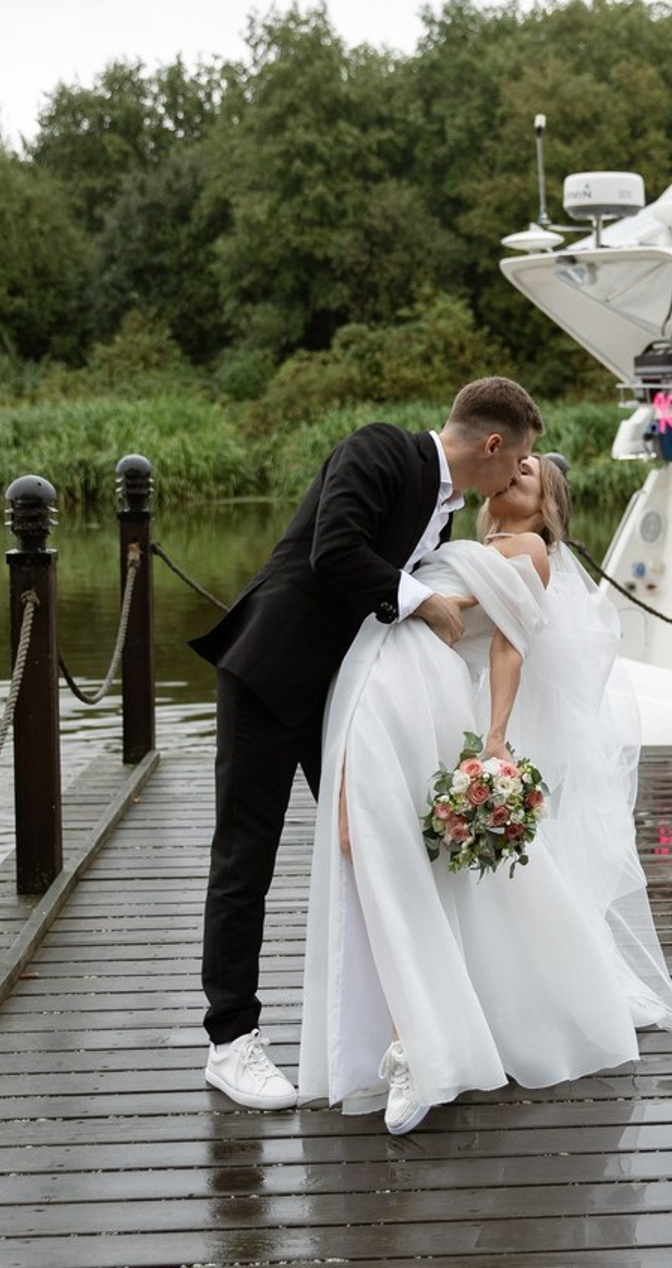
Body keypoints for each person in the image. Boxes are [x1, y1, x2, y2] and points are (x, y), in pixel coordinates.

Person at [299, 453, 672, 1134]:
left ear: (546, 506)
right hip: (396, 688)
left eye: (530, 476)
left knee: (396, 857)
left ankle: (419, 1041)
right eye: (513, 467)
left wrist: (497, 738)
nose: (514, 477)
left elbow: (507, 646)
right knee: (387, 855)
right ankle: (423, 1024)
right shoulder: (461, 540)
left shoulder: (530, 548)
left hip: (423, 692)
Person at [191, 376, 544, 1110]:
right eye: (518, 462)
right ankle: (231, 1043)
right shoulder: (382, 449)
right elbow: (334, 550)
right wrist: (423, 602)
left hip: (336, 698)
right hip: (268, 673)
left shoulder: (442, 516)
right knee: (244, 856)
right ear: (491, 444)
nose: (517, 476)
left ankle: (399, 1027)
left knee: (372, 842)